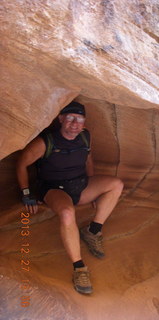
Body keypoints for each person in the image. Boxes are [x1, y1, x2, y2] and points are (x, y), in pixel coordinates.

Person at [16, 101, 124, 295]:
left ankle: (93, 231)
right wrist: (26, 193)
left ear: (84, 122)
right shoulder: (46, 141)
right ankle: (79, 267)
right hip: (54, 188)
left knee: (116, 184)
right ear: (61, 120)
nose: (75, 123)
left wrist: (92, 185)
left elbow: (88, 158)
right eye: (70, 118)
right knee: (67, 213)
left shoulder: (85, 136)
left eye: (79, 119)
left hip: (79, 184)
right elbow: (22, 163)